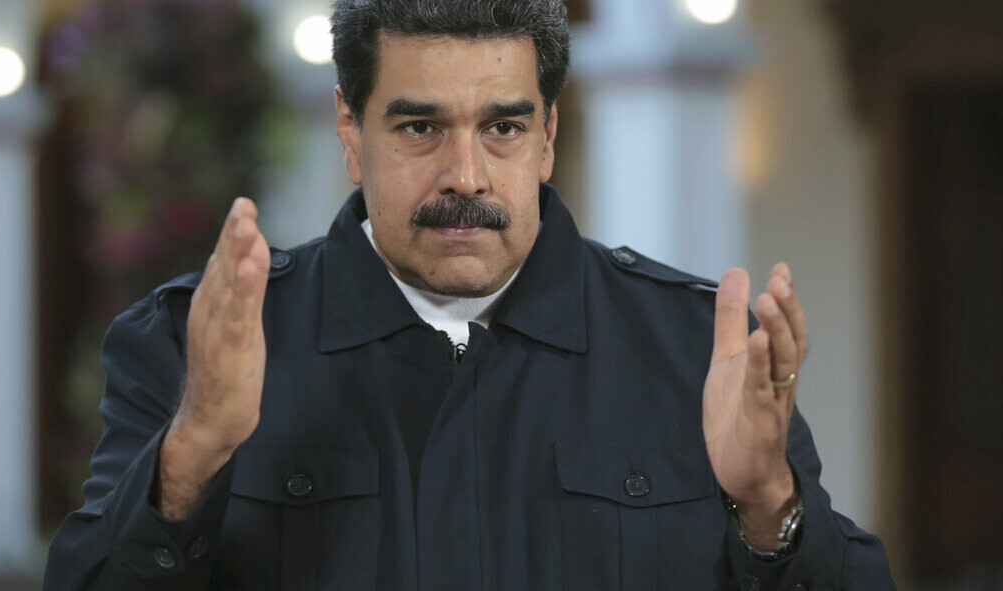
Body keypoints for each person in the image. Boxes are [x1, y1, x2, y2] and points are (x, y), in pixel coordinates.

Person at [44, 0, 896, 589]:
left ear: (548, 135)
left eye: (503, 127)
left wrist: (768, 505)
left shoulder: (698, 350)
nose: (466, 175)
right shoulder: (183, 347)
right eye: (421, 128)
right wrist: (192, 451)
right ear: (350, 131)